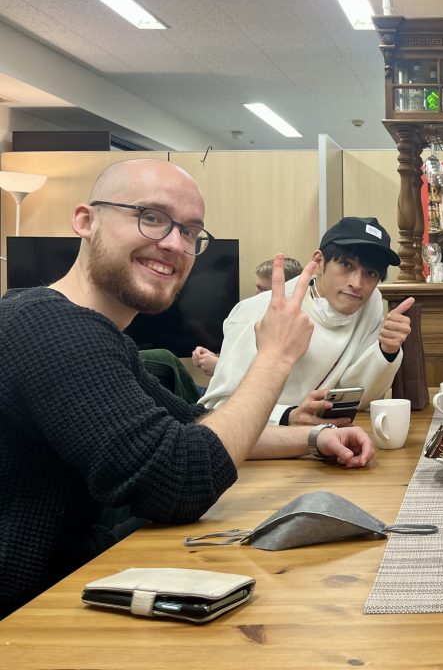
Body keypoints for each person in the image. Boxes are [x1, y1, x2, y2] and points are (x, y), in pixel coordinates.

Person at [0, 159, 373, 619]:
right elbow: (179, 482)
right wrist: (276, 357)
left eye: (190, 232)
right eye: (151, 217)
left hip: (75, 592)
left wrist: (315, 438)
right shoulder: (48, 327)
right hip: (28, 620)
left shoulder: (96, 336)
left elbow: (198, 426)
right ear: (86, 221)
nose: (174, 244)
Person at [200, 216, 414, 427]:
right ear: (319, 262)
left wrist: (387, 350)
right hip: (259, 439)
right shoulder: (258, 311)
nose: (357, 283)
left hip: (326, 436)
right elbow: (218, 408)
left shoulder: (370, 303)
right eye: (346, 265)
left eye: (371, 273)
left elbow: (357, 395)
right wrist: (286, 416)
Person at [191, 256, 304, 376]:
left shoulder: (294, 331)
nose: (255, 295)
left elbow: (270, 380)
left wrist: (218, 368)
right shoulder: (250, 318)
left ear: (288, 292)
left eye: (262, 290)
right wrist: (217, 360)